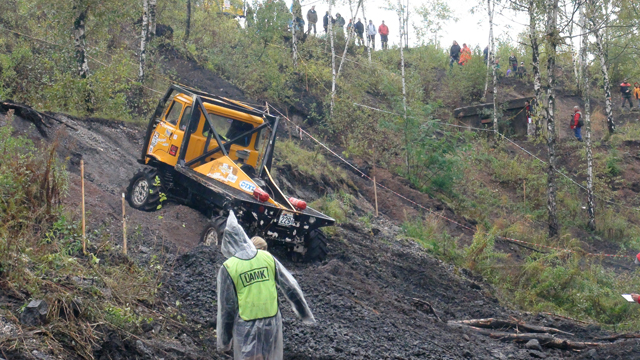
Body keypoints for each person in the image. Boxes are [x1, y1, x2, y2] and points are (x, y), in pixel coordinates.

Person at [217, 211, 315, 360]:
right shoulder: (266, 257)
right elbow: (290, 287)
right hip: (271, 321)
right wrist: (305, 314)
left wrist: (225, 341)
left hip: (246, 323)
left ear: (228, 243)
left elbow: (227, 307)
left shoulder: (229, 267)